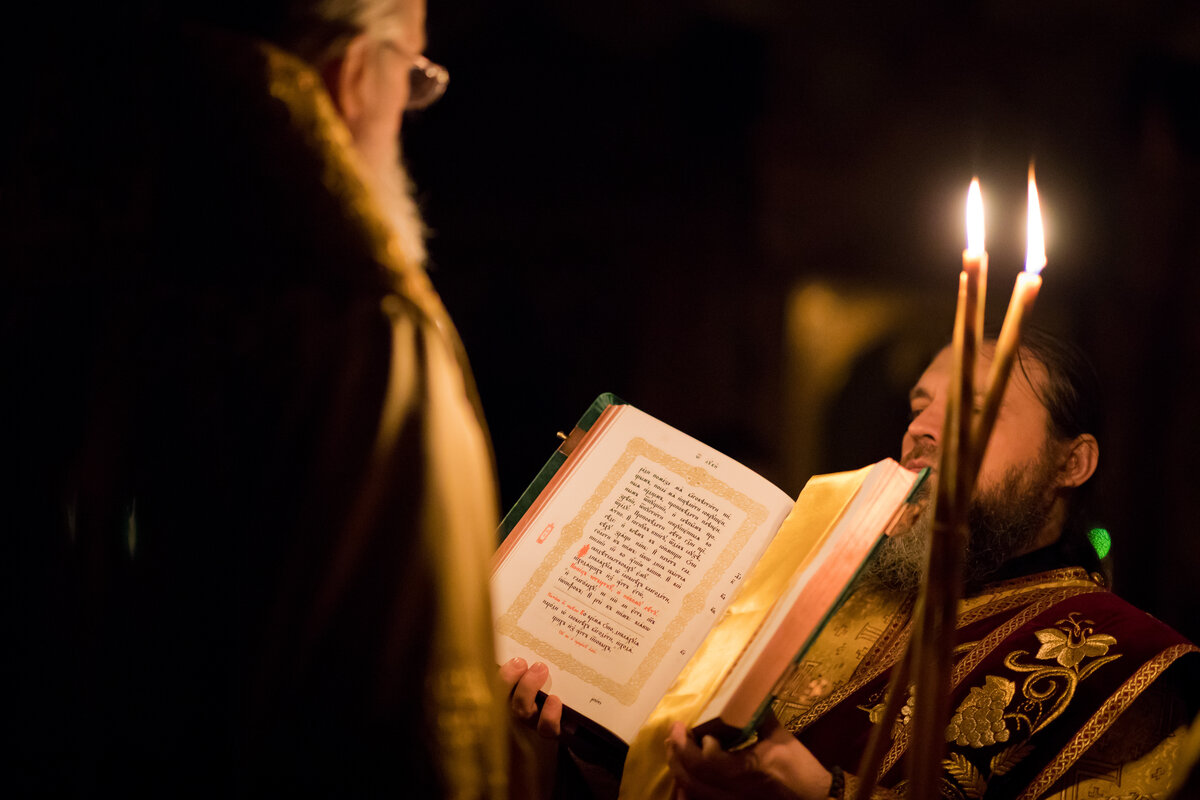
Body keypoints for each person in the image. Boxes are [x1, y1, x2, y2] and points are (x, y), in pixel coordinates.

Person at [3, 0, 506, 796]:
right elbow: (389, 709)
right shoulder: (364, 322)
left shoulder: (76, 265)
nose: (405, 119)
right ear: (351, 76)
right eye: (412, 77)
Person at [508, 331, 1199, 798]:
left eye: (975, 410)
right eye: (920, 405)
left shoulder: (1138, 674)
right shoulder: (835, 591)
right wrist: (601, 739)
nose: (923, 428)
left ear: (1070, 463)